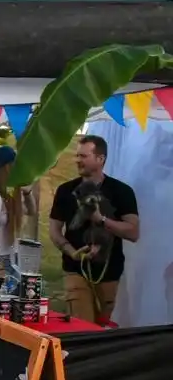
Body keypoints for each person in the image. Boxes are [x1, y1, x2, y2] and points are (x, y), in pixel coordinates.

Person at [49, 134, 139, 324]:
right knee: (82, 327)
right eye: (77, 156)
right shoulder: (65, 191)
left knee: (103, 328)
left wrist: (101, 219)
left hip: (109, 272)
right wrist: (72, 252)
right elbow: (55, 230)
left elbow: (133, 232)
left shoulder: (122, 191)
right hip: (75, 269)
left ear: (100, 159)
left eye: (83, 156)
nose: (78, 161)